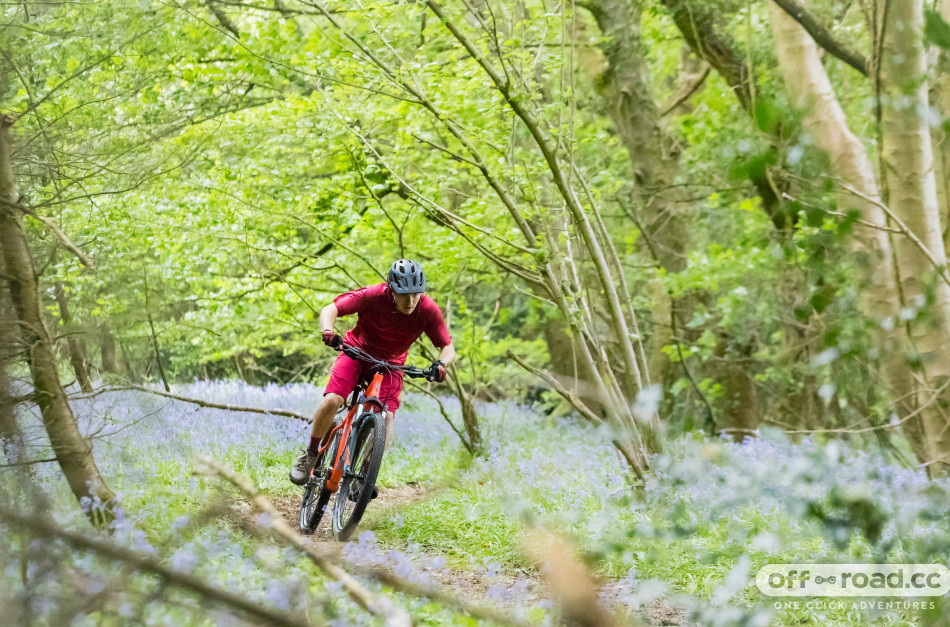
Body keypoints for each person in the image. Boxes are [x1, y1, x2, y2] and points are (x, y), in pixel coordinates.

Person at [289, 259, 456, 486]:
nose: (411, 300)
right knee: (332, 401)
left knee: (386, 417)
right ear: (391, 290)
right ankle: (310, 454)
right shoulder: (373, 295)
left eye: (416, 294)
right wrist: (328, 330)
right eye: (404, 294)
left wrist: (441, 364)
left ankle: (365, 477)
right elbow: (331, 309)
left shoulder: (427, 310)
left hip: (391, 365)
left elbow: (448, 347)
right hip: (356, 353)